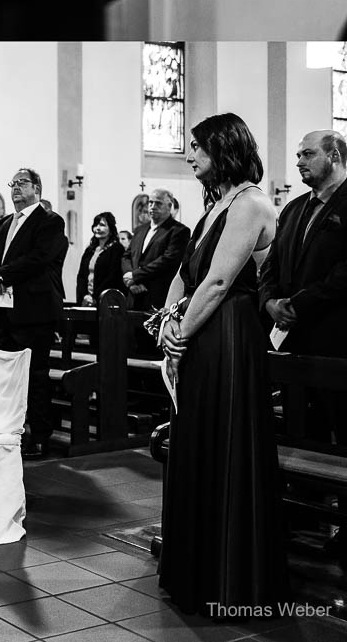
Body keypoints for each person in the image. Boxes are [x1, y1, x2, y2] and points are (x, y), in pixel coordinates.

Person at [158, 113, 286, 615]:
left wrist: (179, 337)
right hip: (202, 332)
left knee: (224, 445)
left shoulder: (252, 202)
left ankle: (228, 577)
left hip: (230, 337)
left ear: (223, 147)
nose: (191, 157)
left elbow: (218, 282)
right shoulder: (216, 204)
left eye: (198, 148)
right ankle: (194, 569)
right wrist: (169, 321)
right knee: (195, 443)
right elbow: (185, 276)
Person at [260, 131, 347, 445]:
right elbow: (271, 263)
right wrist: (269, 301)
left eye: (307, 154)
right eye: (298, 155)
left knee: (341, 424)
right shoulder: (294, 208)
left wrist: (299, 304)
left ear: (334, 155)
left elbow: (343, 274)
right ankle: (307, 491)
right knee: (303, 428)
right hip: (293, 339)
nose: (298, 162)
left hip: (335, 338)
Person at [0, 168, 68, 459]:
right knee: (6, 376)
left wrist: (1, 274)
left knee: (35, 376)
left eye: (22, 183)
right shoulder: (5, 222)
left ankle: (40, 436)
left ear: (37, 187)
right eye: (12, 183)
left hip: (34, 311)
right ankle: (10, 429)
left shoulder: (50, 220)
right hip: (4, 311)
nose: (15, 188)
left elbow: (40, 258)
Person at [128, 188, 190, 311]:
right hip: (134, 295)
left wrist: (135, 276)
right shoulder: (140, 230)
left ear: (169, 206)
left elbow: (168, 260)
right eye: (150, 202)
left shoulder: (179, 230)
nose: (152, 207)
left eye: (158, 203)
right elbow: (127, 255)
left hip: (157, 295)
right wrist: (130, 279)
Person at [76, 212, 126, 306]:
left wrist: (95, 297)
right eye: (95, 225)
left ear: (110, 229)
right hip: (87, 299)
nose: (97, 228)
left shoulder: (116, 249)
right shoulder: (90, 250)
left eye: (102, 225)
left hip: (106, 299)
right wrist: (84, 295)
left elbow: (112, 276)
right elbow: (81, 275)